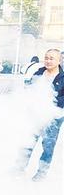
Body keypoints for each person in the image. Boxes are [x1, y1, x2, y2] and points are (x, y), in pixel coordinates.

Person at [19, 49, 64, 181]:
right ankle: (19, 169)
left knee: (48, 146)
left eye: (52, 58)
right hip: (35, 114)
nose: (48, 61)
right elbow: (29, 88)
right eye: (46, 58)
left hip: (53, 117)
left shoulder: (62, 78)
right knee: (28, 143)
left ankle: (41, 174)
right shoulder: (39, 72)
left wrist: (52, 105)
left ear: (59, 60)